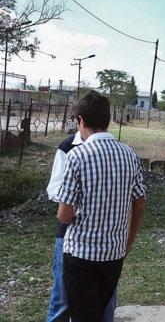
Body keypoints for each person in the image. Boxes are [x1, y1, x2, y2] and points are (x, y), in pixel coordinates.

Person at [56, 91, 146, 322]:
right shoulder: (129, 154)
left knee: (83, 316)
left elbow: (64, 215)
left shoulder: (77, 156)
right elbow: (139, 203)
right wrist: (128, 243)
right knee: (100, 311)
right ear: (108, 120)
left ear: (81, 121)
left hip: (81, 255)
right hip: (114, 255)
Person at [46, 130, 117, 322]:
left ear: (80, 120)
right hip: (70, 234)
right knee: (62, 297)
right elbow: (54, 188)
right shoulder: (68, 147)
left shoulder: (113, 149)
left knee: (106, 300)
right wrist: (76, 199)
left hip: (104, 235)